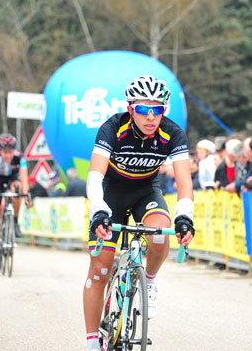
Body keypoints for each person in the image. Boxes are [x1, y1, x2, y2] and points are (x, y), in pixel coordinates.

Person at [83, 75, 195, 351]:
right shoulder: (112, 128)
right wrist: (99, 210)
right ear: (131, 109)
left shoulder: (173, 133)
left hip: (146, 191)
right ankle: (91, 343)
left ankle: (150, 282)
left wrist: (185, 216)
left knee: (159, 237)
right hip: (112, 192)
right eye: (144, 109)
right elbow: (95, 174)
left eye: (157, 110)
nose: (151, 117)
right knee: (100, 268)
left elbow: (184, 182)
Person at [0, 133, 31, 268]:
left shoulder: (19, 157)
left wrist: (27, 195)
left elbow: (24, 179)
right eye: (4, 153)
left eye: (10, 152)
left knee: (17, 190)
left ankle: (15, 220)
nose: (7, 156)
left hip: (13, 177)